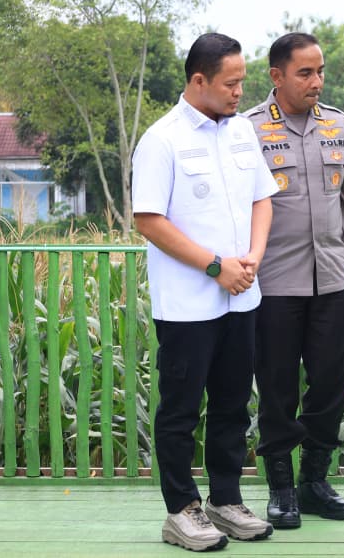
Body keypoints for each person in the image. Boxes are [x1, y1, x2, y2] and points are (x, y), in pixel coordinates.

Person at [132, 32, 277, 551]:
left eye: (243, 81)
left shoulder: (241, 133)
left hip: (243, 298)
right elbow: (149, 220)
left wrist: (253, 256)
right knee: (180, 409)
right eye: (231, 83)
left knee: (234, 406)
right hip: (190, 304)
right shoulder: (162, 139)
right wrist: (217, 266)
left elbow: (263, 198)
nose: (241, 92)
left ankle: (225, 499)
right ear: (199, 81)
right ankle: (181, 510)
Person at [246, 32, 344, 530]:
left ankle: (314, 483)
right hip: (274, 282)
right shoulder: (249, 130)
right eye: (305, 73)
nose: (316, 81)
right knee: (276, 388)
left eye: (320, 72)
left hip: (332, 280)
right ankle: (280, 487)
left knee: (331, 384)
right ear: (277, 76)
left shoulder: (338, 125)